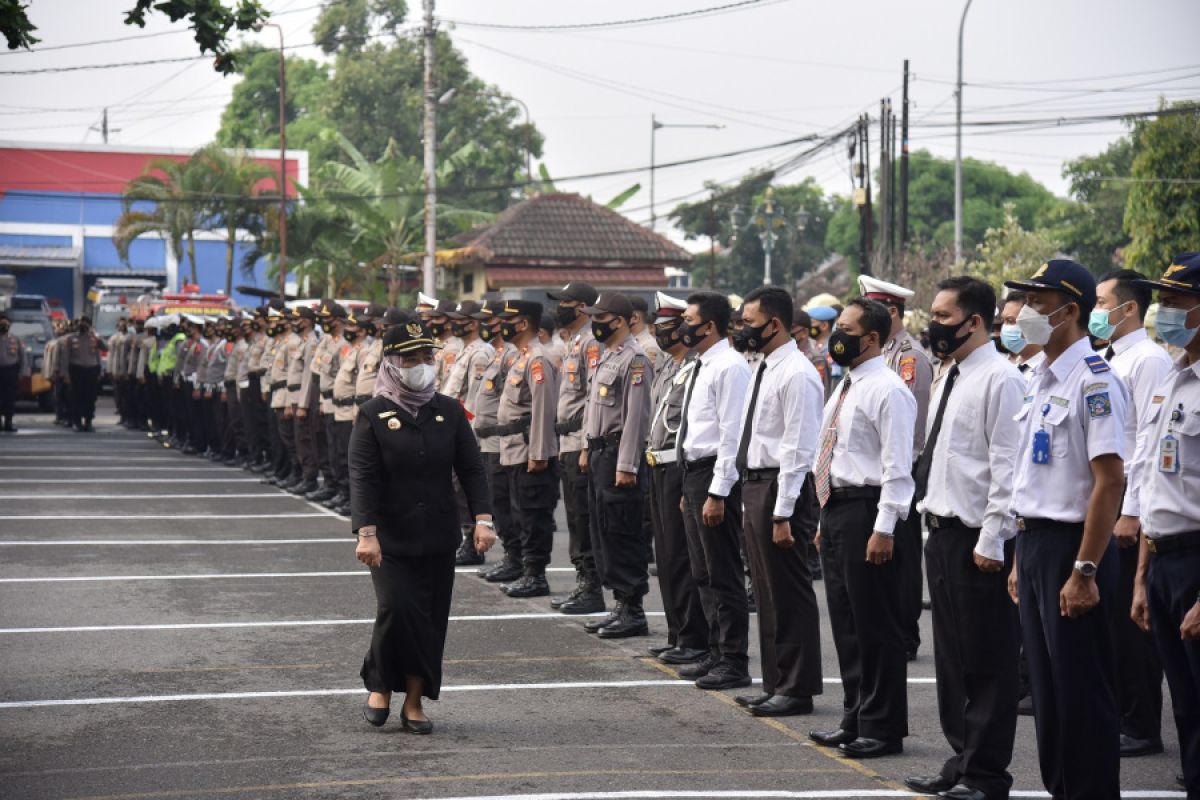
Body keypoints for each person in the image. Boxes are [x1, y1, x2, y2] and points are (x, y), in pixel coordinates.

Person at [1004, 259, 1127, 800]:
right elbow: (1033, 474)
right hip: (1034, 544)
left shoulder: (1095, 380)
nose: (1026, 313)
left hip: (1073, 548)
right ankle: (1061, 791)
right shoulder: (1039, 378)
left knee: (1081, 691)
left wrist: (1084, 569)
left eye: (1038, 302)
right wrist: (1018, 557)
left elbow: (1109, 482)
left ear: (1070, 310)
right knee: (1049, 695)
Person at [905, 277, 1024, 800]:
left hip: (979, 539)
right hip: (942, 532)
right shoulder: (950, 375)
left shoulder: (1001, 378)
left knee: (988, 663)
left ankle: (986, 775)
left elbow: (1007, 467)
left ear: (974, 321)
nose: (934, 325)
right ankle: (961, 761)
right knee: (953, 663)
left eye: (943, 316)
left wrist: (993, 540)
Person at [350, 315, 496, 734]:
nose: (422, 364)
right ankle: (380, 685)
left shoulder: (448, 411)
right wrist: (366, 532)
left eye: (426, 356)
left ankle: (414, 702)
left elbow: (471, 469)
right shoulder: (372, 414)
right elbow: (363, 478)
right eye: (411, 357)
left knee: (430, 621)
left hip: (437, 534)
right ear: (392, 363)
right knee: (396, 610)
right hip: (389, 539)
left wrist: (483, 521)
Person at [808, 298, 916, 759]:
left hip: (869, 512)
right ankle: (855, 715)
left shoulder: (888, 389)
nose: (837, 335)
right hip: (838, 512)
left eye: (846, 328)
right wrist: (822, 515)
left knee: (876, 625)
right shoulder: (846, 385)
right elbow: (832, 452)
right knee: (847, 624)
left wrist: (885, 527)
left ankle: (883, 726)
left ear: (871, 337)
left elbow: (897, 466)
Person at [1091, 268, 1175, 759]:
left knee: (1131, 624)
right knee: (1110, 622)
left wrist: (1132, 512)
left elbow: (1146, 441)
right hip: (1107, 498)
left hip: (1127, 502)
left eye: (1103, 303)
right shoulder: (1110, 357)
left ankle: (1142, 723)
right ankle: (1124, 714)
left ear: (1129, 309)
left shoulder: (1147, 360)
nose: (1097, 311)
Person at [732, 287, 824, 718]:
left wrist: (783, 510)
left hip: (780, 487)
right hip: (757, 484)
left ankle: (798, 687)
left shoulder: (797, 372)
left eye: (750, 322)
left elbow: (797, 449)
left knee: (789, 591)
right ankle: (777, 682)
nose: (743, 329)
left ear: (775, 324)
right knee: (767, 592)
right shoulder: (765, 366)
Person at [1129, 254, 1200, 799]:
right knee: (1186, 704)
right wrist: (1142, 576)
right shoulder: (1172, 376)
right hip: (1163, 560)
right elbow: (1152, 483)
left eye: (1176, 303)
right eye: (1163, 301)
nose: (1163, 312)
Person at [673, 291, 753, 691]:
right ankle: (716, 650)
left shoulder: (730, 367)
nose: (682, 325)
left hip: (715, 476)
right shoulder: (703, 364)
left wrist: (718, 492)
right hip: (695, 473)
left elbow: (731, 433)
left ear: (709, 326)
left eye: (689, 319)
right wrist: (690, 485)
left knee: (723, 572)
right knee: (702, 571)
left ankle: (735, 659)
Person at [859, 275, 932, 662]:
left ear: (890, 312)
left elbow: (913, 427)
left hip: (903, 468)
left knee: (902, 556)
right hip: (879, 471)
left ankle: (906, 634)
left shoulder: (909, 358)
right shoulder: (881, 352)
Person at [578, 292, 654, 637]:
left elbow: (636, 418)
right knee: (604, 531)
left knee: (623, 530)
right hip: (599, 453)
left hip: (617, 456)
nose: (595, 323)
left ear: (620, 321)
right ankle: (619, 604)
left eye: (601, 317)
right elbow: (593, 409)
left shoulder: (635, 359)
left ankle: (633, 609)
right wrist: (585, 447)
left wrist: (627, 465)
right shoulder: (607, 355)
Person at [645, 292, 708, 663]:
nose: (661, 334)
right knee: (666, 556)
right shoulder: (669, 367)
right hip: (657, 465)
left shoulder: (697, 367)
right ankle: (676, 632)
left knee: (684, 558)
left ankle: (693, 638)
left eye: (667, 327)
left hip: (677, 465)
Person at [495, 300, 561, 598]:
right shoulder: (520, 359)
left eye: (507, 321)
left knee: (534, 516)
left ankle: (536, 575)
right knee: (520, 514)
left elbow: (543, 410)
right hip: (513, 450)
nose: (500, 326)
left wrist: (539, 453)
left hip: (529, 452)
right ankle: (525, 570)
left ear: (522, 324)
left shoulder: (538, 360)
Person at [547, 282, 605, 614]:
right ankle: (583, 581)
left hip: (580, 441)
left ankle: (591, 587)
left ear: (582, 306)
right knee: (574, 517)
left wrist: (584, 445)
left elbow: (595, 398)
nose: (560, 308)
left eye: (566, 302)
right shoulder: (574, 342)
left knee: (583, 518)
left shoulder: (591, 344)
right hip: (567, 441)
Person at [470, 299, 525, 584]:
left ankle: (516, 559)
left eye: (490, 321)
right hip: (487, 441)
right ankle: (511, 557)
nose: (487, 326)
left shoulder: (513, 356)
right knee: (497, 501)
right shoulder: (497, 354)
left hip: (501, 441)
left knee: (505, 503)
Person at [60, 315, 103, 432]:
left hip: (91, 370)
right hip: (76, 370)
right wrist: (65, 374)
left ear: (89, 325)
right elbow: (65, 357)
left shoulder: (94, 338)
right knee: (76, 397)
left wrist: (100, 371)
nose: (82, 324)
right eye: (81, 322)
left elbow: (100, 353)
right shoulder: (71, 338)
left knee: (90, 397)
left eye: (85, 323)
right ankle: (77, 422)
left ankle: (88, 422)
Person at [999, 291, 1045, 375]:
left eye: (1010, 321)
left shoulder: (1047, 371)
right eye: (1003, 321)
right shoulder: (1010, 367)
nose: (1005, 328)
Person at [0, 312, 30, 432]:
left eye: (5, 324)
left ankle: (8, 422)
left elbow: (23, 357)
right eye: (1, 324)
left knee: (9, 398)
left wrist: (22, 373)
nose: (3, 326)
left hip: (10, 372)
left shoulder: (15, 339)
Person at [629, 294, 662, 369]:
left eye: (624, 315)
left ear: (635, 318)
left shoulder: (650, 346)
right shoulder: (630, 342)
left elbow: (649, 379)